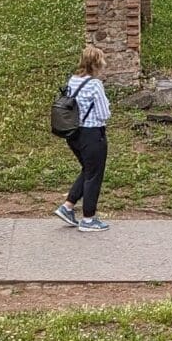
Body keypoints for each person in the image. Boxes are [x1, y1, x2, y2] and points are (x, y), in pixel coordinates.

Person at [54, 46, 111, 232]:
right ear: (97, 63)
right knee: (94, 174)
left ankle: (68, 206)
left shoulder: (73, 81)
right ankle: (88, 219)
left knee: (88, 170)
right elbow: (103, 114)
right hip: (93, 134)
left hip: (74, 134)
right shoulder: (95, 85)